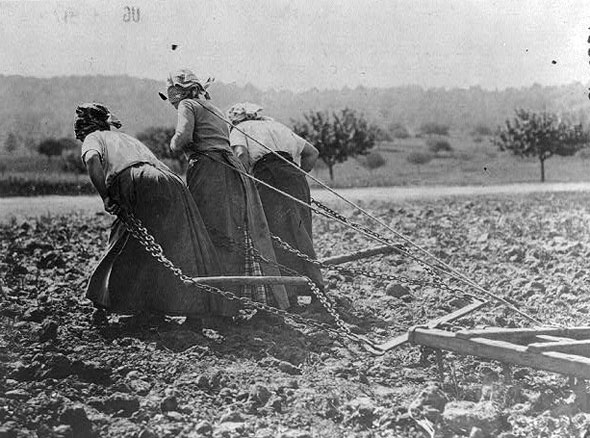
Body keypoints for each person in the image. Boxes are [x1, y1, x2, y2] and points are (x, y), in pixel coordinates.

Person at [75, 102, 221, 322]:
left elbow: (92, 160)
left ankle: (103, 303)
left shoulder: (93, 137)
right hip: (171, 182)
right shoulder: (126, 138)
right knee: (180, 244)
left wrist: (106, 196)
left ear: (85, 127)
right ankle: (192, 310)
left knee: (125, 240)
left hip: (138, 180)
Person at [165, 69, 290, 315]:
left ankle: (217, 306)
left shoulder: (187, 105)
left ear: (179, 90)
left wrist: (173, 145)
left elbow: (182, 137)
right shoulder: (214, 108)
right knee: (229, 233)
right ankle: (230, 302)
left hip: (209, 169)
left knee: (209, 232)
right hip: (231, 169)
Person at [227, 103, 324, 299]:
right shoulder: (278, 126)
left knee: (276, 235)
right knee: (301, 232)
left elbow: (241, 154)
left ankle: (288, 295)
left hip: (267, 177)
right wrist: (294, 174)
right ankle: (316, 290)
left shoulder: (239, 129)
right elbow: (312, 153)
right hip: (295, 179)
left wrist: (246, 182)